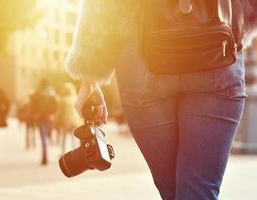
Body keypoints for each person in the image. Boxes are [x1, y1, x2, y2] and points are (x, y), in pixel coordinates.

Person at [64, 1, 257, 200]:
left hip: (141, 54)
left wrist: (90, 76)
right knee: (198, 191)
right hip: (220, 42)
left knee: (173, 193)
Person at [31, 79, 59, 165]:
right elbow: (56, 105)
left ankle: (44, 155)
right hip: (49, 117)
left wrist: (35, 114)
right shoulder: (52, 93)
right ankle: (45, 152)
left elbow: (33, 105)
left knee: (43, 136)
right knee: (47, 135)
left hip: (40, 117)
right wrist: (53, 114)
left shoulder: (38, 93)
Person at [56, 82, 83, 154]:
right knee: (73, 137)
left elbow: (60, 112)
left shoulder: (63, 100)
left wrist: (57, 118)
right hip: (76, 121)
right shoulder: (76, 98)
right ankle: (74, 152)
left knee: (64, 137)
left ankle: (63, 152)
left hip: (66, 121)